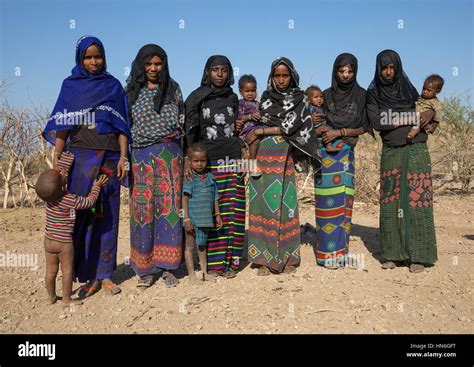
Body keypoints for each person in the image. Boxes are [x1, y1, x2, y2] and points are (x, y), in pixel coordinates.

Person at [42, 36, 130, 297]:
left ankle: (105, 275)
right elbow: (63, 124)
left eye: (98, 56)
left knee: (108, 216)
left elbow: (122, 125)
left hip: (111, 159)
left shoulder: (113, 86)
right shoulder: (71, 86)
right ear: (80, 59)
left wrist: (124, 157)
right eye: (88, 57)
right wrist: (58, 157)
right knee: (83, 215)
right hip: (80, 159)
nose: (94, 61)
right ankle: (86, 273)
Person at [247, 57, 321, 276]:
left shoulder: (300, 99)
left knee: (285, 205)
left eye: (285, 75)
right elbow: (258, 121)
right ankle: (263, 259)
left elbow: (289, 128)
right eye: (277, 75)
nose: (280, 80)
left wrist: (261, 131)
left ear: (292, 76)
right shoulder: (266, 98)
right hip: (263, 156)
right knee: (262, 206)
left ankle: (288, 257)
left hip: (285, 155)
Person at [367, 49, 437, 273]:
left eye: (392, 68)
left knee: (417, 200)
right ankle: (393, 254)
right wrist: (412, 117)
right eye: (384, 68)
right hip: (392, 149)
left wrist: (432, 113)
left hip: (417, 149)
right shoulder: (373, 92)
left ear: (398, 68)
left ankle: (420, 255)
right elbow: (379, 121)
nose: (388, 72)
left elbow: (427, 108)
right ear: (378, 69)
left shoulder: (409, 89)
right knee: (391, 201)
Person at [125, 44, 184, 288]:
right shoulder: (130, 92)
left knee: (170, 210)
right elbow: (124, 127)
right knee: (143, 212)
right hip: (140, 157)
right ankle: (145, 268)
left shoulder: (173, 89)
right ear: (140, 65)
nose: (153, 68)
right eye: (148, 64)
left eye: (158, 64)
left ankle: (169, 266)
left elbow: (183, 122)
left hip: (170, 155)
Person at [185, 55, 245, 279]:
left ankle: (232, 263)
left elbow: (238, 129)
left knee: (234, 213)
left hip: (232, 159)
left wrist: (244, 158)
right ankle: (213, 264)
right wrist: (188, 160)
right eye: (215, 70)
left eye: (224, 70)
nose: (220, 74)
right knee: (210, 212)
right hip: (208, 163)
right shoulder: (197, 97)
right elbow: (190, 130)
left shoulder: (233, 97)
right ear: (207, 72)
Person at [313, 53, 373, 269]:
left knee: (344, 204)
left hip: (346, 152)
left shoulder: (362, 96)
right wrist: (321, 128)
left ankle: (341, 252)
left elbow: (365, 126)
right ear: (335, 71)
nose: (346, 75)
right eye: (341, 70)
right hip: (325, 154)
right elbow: (314, 121)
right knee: (325, 204)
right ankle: (325, 255)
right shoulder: (325, 96)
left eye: (350, 71)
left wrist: (341, 132)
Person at [35, 151, 109, 306]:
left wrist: (66, 157)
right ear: (63, 188)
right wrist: (96, 187)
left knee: (50, 271)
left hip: (49, 240)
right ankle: (67, 300)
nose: (65, 178)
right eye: (63, 181)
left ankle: (51, 297)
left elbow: (60, 175)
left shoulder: (49, 199)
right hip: (63, 243)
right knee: (67, 271)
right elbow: (88, 202)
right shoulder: (68, 199)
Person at [182, 143, 223, 283]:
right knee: (190, 246)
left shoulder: (211, 177)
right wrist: (186, 219)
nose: (200, 164)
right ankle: (192, 275)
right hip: (193, 219)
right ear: (190, 161)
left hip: (206, 218)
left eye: (203, 160)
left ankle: (204, 273)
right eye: (196, 161)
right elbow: (185, 198)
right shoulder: (189, 178)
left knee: (202, 246)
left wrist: (217, 214)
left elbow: (215, 197)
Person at [237, 74, 262, 177]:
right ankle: (251, 164)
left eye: (253, 90)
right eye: (247, 91)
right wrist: (250, 116)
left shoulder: (259, 104)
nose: (251, 93)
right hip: (246, 131)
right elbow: (239, 118)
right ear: (240, 92)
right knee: (255, 141)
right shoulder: (240, 104)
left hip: (257, 128)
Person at [407, 74, 444, 141]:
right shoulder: (421, 97)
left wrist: (433, 127)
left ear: (437, 91)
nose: (425, 92)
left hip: (423, 120)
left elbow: (438, 116)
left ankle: (411, 135)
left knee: (419, 125)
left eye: (428, 90)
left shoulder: (435, 103)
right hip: (414, 115)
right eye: (424, 88)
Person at [306, 85, 338, 153]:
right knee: (325, 129)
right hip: (314, 128)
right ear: (308, 100)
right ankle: (328, 146)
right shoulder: (310, 108)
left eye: (321, 97)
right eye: (316, 97)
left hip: (323, 126)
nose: (319, 99)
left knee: (330, 130)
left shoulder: (323, 108)